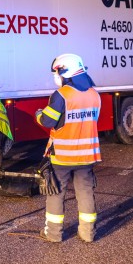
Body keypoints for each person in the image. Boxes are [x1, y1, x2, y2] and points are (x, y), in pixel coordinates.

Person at [35, 53, 101, 243]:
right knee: (86, 192)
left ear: (65, 72)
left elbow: (48, 121)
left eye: (57, 72)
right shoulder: (94, 95)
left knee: (55, 193)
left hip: (63, 157)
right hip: (87, 156)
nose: (57, 77)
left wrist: (38, 114)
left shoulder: (61, 95)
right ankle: (88, 233)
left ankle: (54, 234)